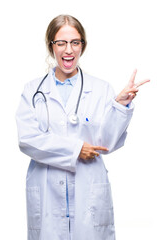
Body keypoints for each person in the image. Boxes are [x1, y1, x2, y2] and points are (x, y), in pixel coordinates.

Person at [16, 14, 149, 240]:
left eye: (75, 42)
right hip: (47, 189)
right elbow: (28, 139)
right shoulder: (33, 91)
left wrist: (120, 105)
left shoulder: (100, 89)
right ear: (51, 46)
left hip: (89, 186)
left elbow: (106, 143)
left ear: (82, 46)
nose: (69, 50)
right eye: (61, 43)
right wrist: (76, 149)